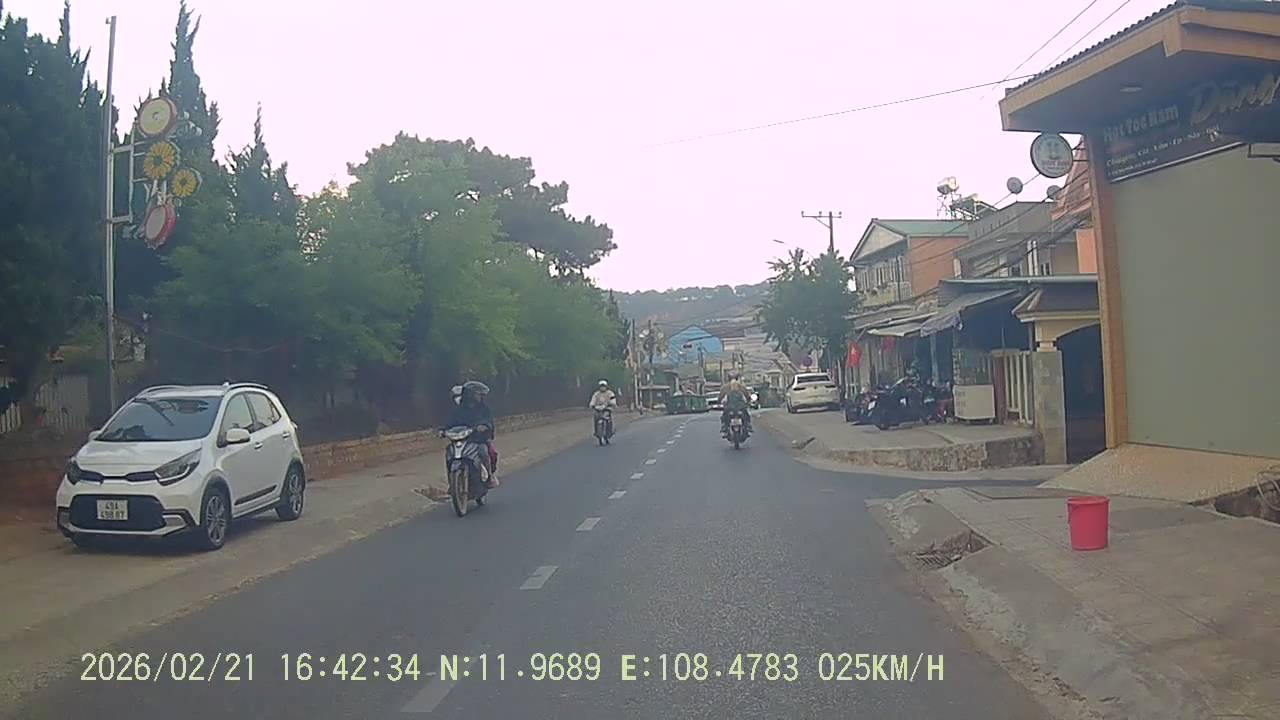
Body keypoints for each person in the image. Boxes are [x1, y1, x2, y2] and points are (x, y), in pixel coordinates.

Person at [447, 381, 498, 487]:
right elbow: (450, 422)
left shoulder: (484, 409)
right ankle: (451, 483)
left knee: (484, 452)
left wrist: (484, 426)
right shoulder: (458, 409)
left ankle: (490, 477)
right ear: (470, 395)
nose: (480, 397)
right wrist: (442, 430)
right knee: (449, 454)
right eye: (477, 394)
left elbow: (489, 421)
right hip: (462, 439)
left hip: (478, 439)